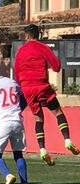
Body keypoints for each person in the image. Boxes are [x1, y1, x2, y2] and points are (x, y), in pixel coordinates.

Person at [14, 24, 79, 165]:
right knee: (57, 111)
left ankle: (42, 149)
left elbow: (17, 75)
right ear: (39, 35)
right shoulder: (43, 48)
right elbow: (56, 67)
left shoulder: (21, 51)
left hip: (27, 88)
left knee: (38, 118)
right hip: (41, 85)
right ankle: (67, 140)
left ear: (26, 36)